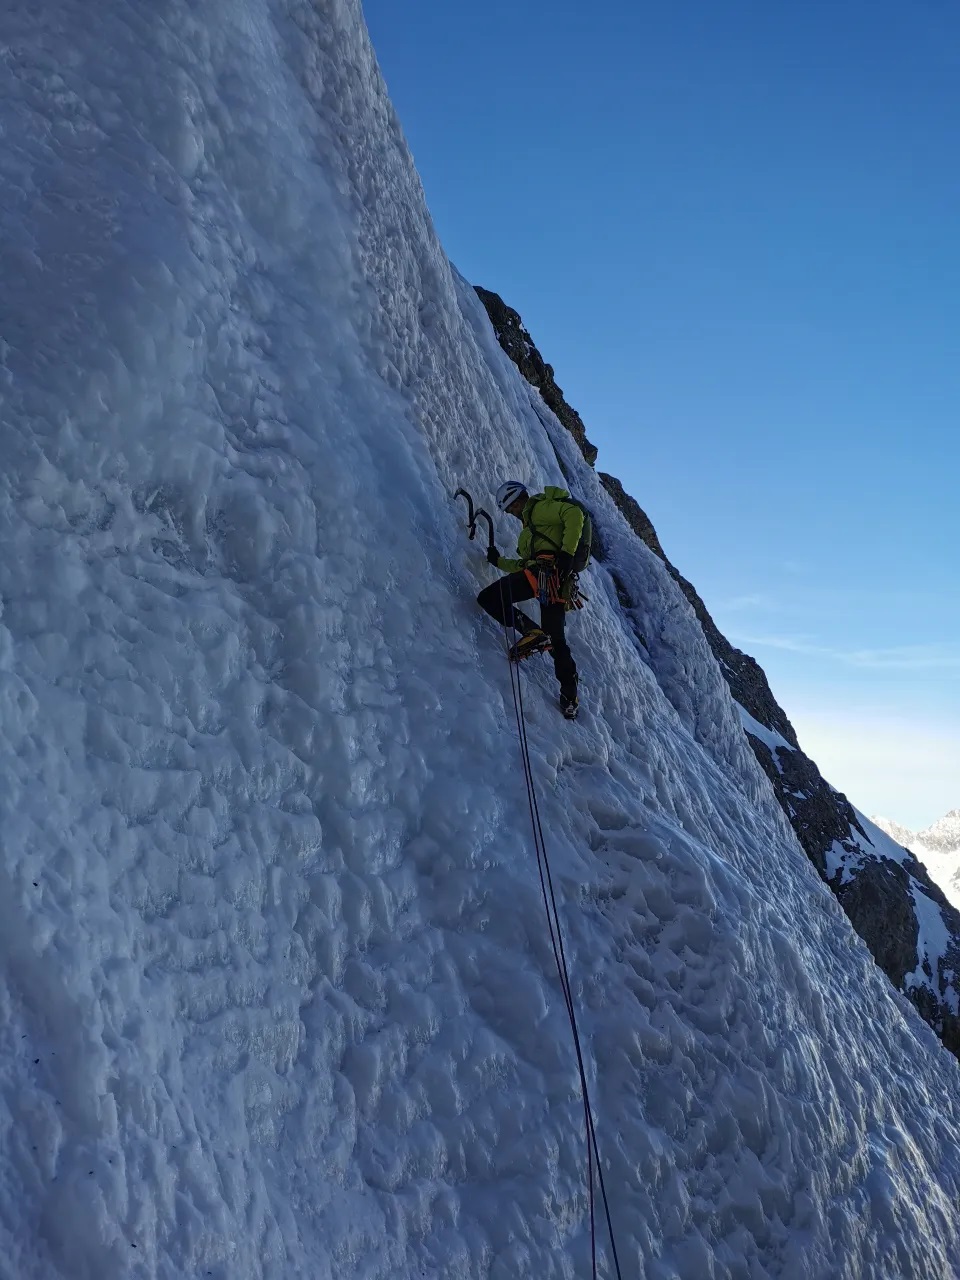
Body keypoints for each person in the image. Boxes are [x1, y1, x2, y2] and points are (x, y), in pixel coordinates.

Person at [477, 480, 582, 718]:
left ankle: (533, 633)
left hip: (546, 575)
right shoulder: (530, 530)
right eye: (510, 510)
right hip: (552, 581)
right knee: (556, 640)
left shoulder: (539, 509)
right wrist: (498, 561)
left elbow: (574, 514)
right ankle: (570, 696)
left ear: (521, 498)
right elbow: (524, 564)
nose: (513, 512)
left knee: (489, 598)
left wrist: (566, 553)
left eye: (513, 506)